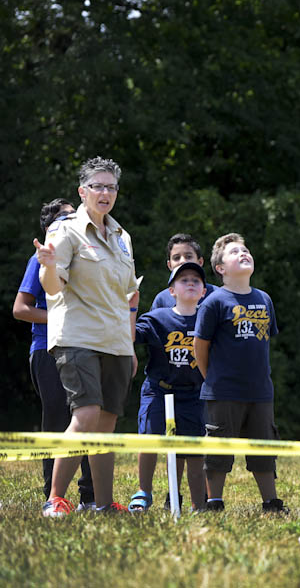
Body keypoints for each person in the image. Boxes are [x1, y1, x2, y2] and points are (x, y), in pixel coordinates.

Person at [34, 157, 140, 516]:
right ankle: (56, 499)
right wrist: (48, 266)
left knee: (107, 422)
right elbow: (53, 287)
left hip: (115, 342)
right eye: (97, 186)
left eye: (111, 186)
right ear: (83, 191)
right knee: (87, 413)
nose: (105, 192)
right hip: (76, 337)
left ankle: (102, 503)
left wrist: (129, 342)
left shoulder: (123, 237)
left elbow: (128, 295)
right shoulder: (64, 231)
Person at [194, 233, 287, 513]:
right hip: (223, 389)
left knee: (263, 447)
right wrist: (212, 377)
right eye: (235, 252)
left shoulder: (264, 299)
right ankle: (214, 501)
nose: (244, 254)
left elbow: (265, 340)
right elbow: (200, 345)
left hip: (260, 390)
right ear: (220, 268)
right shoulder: (214, 301)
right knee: (219, 448)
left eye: (246, 250)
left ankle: (271, 502)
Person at [13, 198, 95, 510]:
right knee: (60, 420)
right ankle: (54, 498)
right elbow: (20, 309)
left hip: (84, 346)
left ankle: (91, 496)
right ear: (51, 228)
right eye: (67, 217)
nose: (75, 221)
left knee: (88, 417)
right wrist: (62, 315)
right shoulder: (41, 260)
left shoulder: (83, 259)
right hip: (47, 350)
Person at [129, 261, 208, 513]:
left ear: (204, 292)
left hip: (194, 394)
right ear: (171, 291)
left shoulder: (209, 321)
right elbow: (130, 335)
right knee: (150, 438)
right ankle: (144, 492)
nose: (191, 284)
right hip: (159, 389)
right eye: (184, 280)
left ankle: (199, 504)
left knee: (194, 450)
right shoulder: (157, 318)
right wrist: (130, 305)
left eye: (196, 281)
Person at [150, 233, 214, 310]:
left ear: (200, 262)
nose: (182, 261)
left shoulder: (215, 295)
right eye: (176, 258)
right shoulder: (162, 300)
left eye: (188, 256)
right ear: (169, 265)